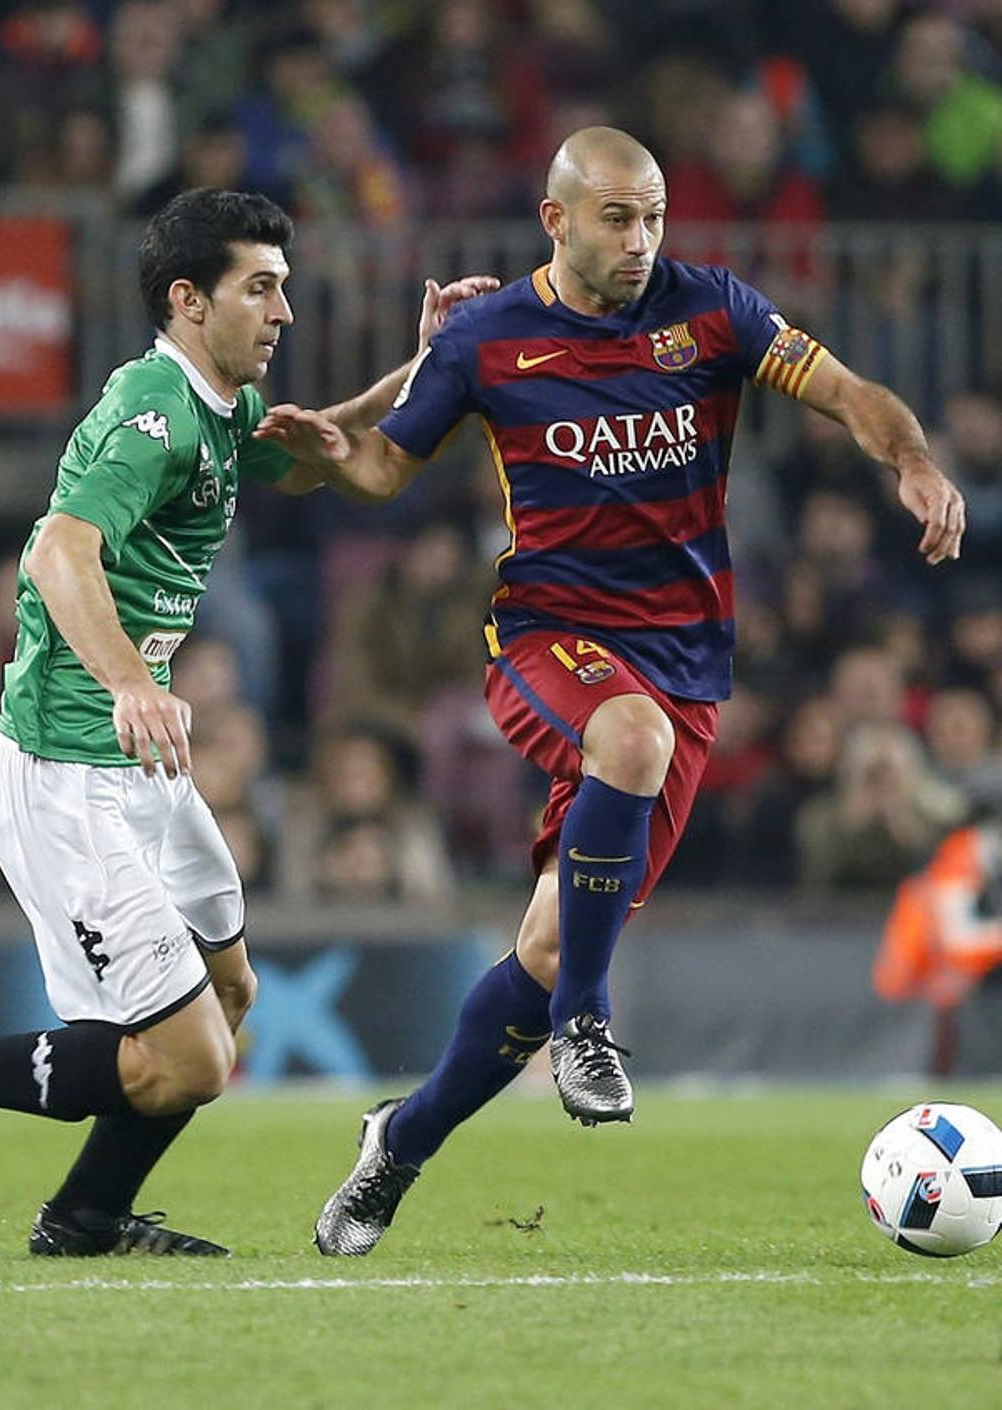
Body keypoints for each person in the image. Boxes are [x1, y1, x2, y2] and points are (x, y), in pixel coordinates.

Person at [254, 125, 966, 1256]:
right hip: (548, 637)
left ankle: (400, 1142)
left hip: (688, 664)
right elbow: (383, 466)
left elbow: (849, 392)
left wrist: (913, 460)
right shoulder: (488, 336)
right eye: (618, 218)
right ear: (557, 220)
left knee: (544, 949)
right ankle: (587, 1025)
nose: (641, 240)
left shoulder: (712, 309)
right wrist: (327, 446)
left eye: (654, 216)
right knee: (626, 745)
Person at [0, 187, 495, 1258]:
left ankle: (86, 1217)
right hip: (67, 772)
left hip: (137, 769)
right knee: (189, 1058)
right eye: (261, 289)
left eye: (283, 288)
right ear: (190, 300)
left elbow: (324, 453)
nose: (283, 312)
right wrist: (129, 683)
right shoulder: (154, 413)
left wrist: (425, 365)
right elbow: (58, 550)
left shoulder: (219, 407)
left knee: (228, 995)